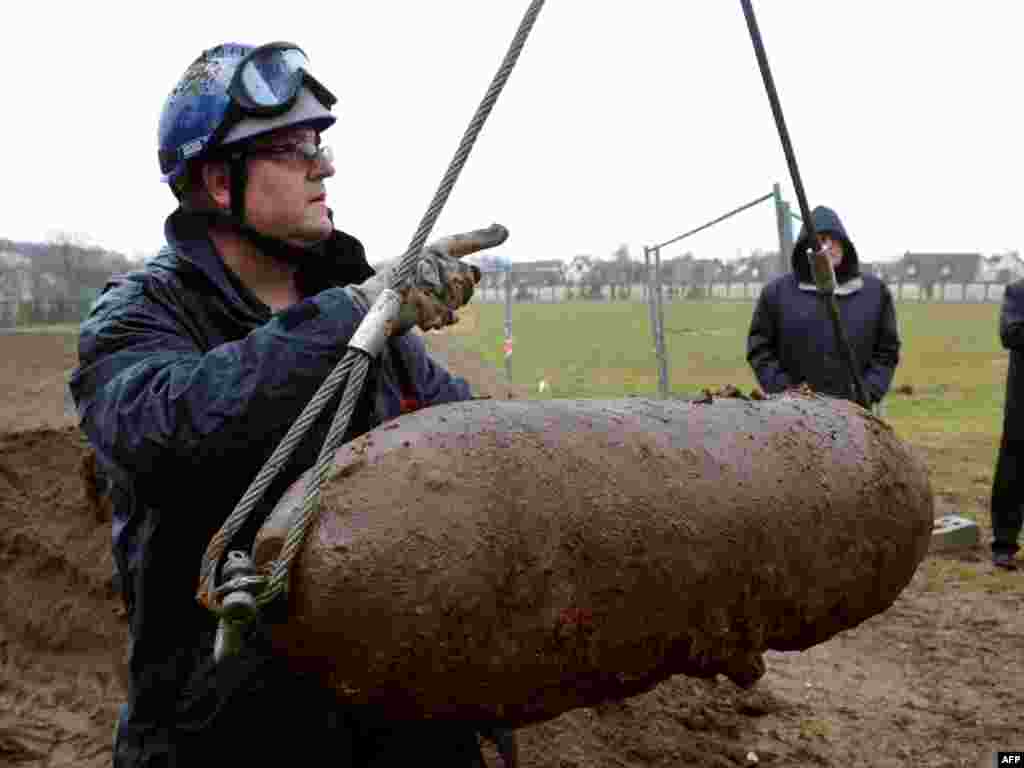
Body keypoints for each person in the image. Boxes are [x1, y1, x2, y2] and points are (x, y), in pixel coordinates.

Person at [70, 42, 515, 766]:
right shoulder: (141, 314)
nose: (325, 164)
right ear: (219, 181)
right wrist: (357, 313)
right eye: (293, 147)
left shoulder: (369, 315)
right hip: (221, 735)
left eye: (321, 142)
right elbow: (167, 427)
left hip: (402, 715)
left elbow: (461, 438)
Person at [746, 205, 901, 406]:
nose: (828, 246)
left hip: (857, 412)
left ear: (845, 244)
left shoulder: (875, 293)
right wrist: (786, 392)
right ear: (805, 247)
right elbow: (760, 348)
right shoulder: (776, 294)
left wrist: (869, 390)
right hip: (794, 414)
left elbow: (887, 350)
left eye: (834, 239)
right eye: (820, 240)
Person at [989, 278, 1024, 570]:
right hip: (1022, 404)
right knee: (1012, 474)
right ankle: (1004, 544)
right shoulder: (1018, 291)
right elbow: (1010, 334)